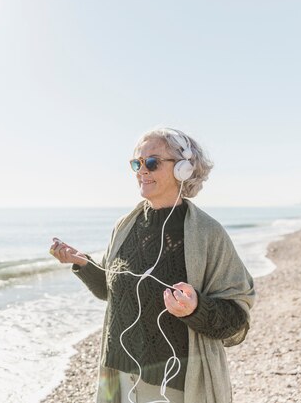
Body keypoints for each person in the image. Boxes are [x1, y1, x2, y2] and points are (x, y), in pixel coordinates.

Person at [49, 127, 255, 403]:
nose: (141, 170)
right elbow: (110, 293)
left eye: (152, 162)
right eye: (137, 163)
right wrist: (83, 264)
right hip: (117, 373)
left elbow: (237, 318)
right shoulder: (124, 226)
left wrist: (195, 308)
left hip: (175, 382)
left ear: (183, 169)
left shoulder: (207, 233)